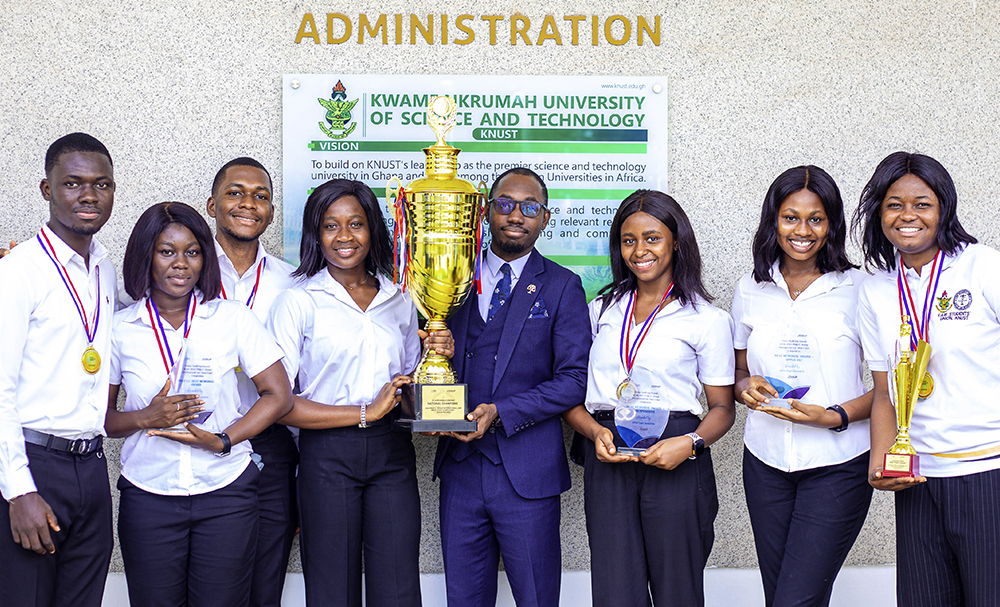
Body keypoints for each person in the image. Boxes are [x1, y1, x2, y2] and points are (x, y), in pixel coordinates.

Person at [268, 179, 451, 607]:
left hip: (391, 452)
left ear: (373, 230)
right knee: (332, 586)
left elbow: (408, 385)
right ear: (315, 233)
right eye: (331, 226)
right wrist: (364, 411)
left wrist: (437, 372)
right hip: (325, 455)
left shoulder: (401, 297)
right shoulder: (298, 301)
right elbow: (278, 404)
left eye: (356, 224)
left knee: (398, 584)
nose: (344, 237)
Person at [106, 202, 292, 607]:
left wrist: (224, 440)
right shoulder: (120, 330)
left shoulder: (231, 318)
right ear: (145, 256)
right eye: (166, 251)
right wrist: (145, 417)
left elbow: (278, 395)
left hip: (225, 492)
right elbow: (101, 419)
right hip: (149, 495)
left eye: (192, 251)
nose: (181, 263)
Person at [562, 189, 735, 607]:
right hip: (608, 450)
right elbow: (571, 391)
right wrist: (591, 432)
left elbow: (723, 409)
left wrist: (690, 443)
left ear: (676, 241)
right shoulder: (600, 309)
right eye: (628, 240)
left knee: (677, 588)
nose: (640, 250)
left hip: (675, 451)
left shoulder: (706, 319)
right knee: (615, 588)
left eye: (652, 238)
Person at [431, 167, 591, 607]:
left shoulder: (562, 287)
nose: (515, 215)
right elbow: (424, 359)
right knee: (463, 599)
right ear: (486, 210)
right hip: (460, 469)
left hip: (527, 472)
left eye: (529, 207)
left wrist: (501, 410)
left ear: (546, 217)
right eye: (504, 204)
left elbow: (575, 380)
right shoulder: (451, 279)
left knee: (537, 599)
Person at [853, 152, 1000, 607]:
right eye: (894, 204)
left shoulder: (982, 267)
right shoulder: (877, 288)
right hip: (916, 478)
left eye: (922, 204)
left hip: (986, 471)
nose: (908, 216)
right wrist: (881, 462)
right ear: (879, 214)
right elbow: (883, 392)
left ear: (944, 210)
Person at [732, 166, 873, 607]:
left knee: (796, 599)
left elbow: (894, 383)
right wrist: (745, 388)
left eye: (816, 218)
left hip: (838, 464)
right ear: (773, 220)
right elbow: (738, 372)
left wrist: (835, 416)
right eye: (791, 217)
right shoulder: (750, 289)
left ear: (831, 224)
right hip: (765, 462)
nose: (803, 230)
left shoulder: (861, 289)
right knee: (780, 595)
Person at [0, 133, 117, 607]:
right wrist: (18, 490)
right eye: (73, 183)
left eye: (102, 184)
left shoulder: (105, 269)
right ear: (47, 190)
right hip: (35, 464)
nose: (89, 196)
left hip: (91, 468)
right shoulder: (19, 271)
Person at [207, 157, 299, 607]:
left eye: (261, 196)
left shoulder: (292, 282)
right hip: (200, 440)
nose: (249, 204)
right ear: (212, 204)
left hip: (271, 444)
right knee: (210, 582)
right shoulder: (183, 271)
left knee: (266, 582)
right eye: (236, 192)